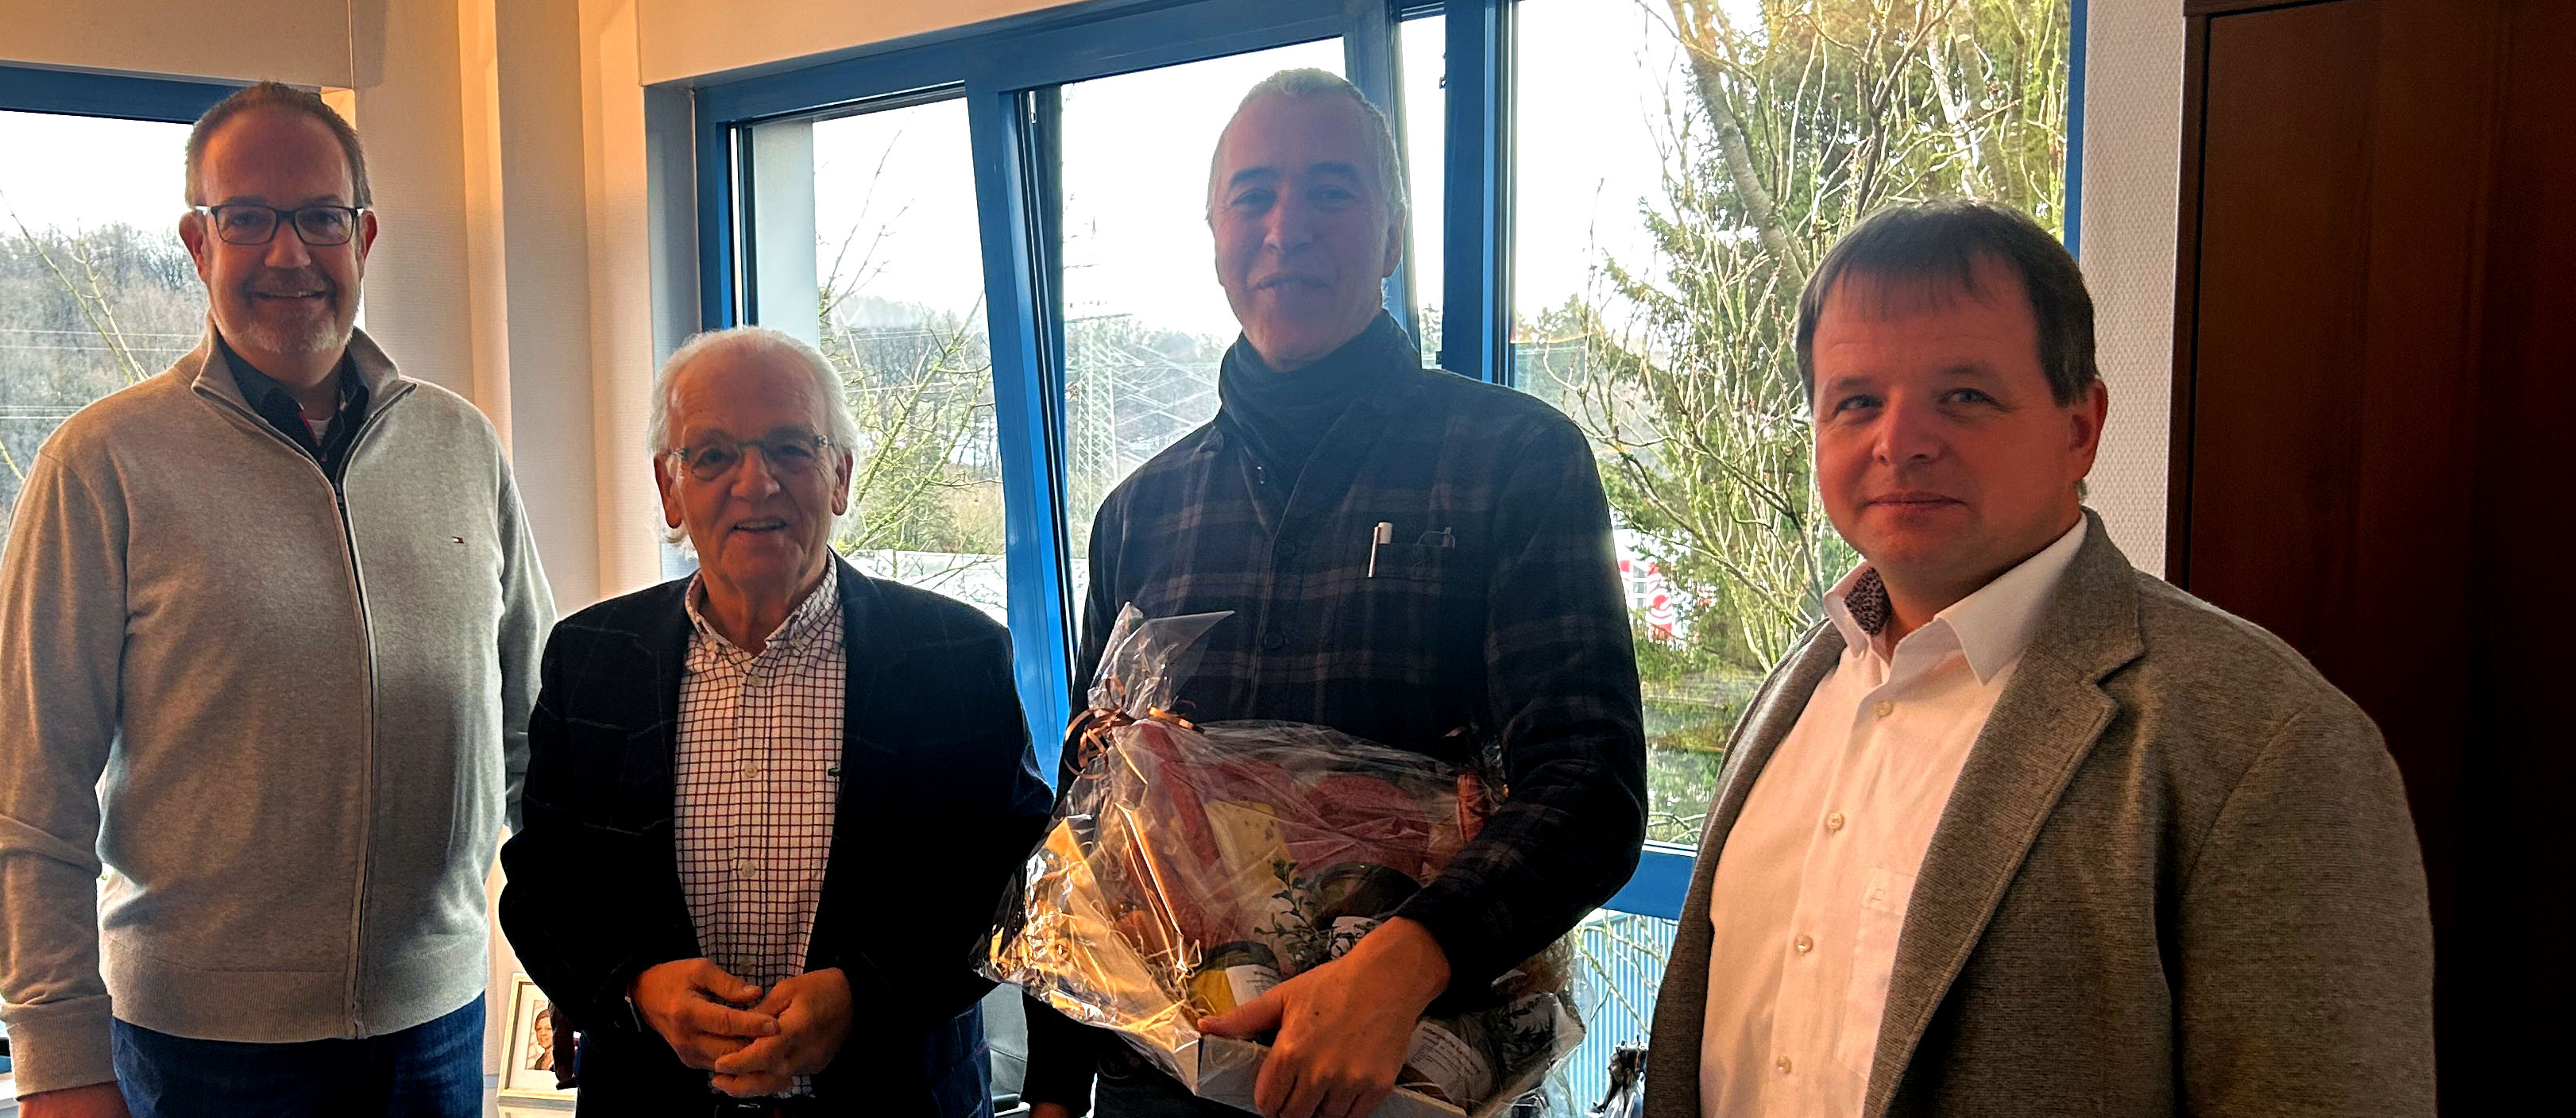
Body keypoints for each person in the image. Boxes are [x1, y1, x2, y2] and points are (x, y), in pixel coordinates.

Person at [1641, 201, 2436, 1116]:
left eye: (1963, 395)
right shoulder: (1800, 686)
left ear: (2078, 426)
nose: (1898, 442)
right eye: (1855, 401)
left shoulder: (2264, 742)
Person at [1020, 69, 1649, 1118]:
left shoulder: (1514, 462)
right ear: (1215, 234)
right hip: (1161, 1085)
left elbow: (1592, 786)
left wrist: (1404, 961)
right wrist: (1051, 1087)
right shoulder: (1140, 512)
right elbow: (1096, 815)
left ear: (1392, 234)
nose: (1287, 228)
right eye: (1254, 195)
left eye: (1330, 191)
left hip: (1412, 1075)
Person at [0, 81, 554, 1118]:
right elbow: (30, 798)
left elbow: (532, 738)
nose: (289, 255)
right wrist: (59, 1063)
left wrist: (587, 961)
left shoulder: (460, 445)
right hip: (199, 1051)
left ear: (363, 237)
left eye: (320, 217)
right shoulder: (103, 465)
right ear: (198, 244)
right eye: (246, 218)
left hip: (435, 1027)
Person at [500, 327, 1054, 1117]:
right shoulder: (590, 659)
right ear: (669, 488)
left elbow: (1011, 882)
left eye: (791, 448)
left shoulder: (958, 657)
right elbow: (543, 882)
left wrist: (866, 993)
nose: (755, 483)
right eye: (713, 455)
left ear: (840, 475)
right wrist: (634, 985)